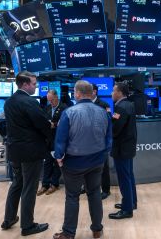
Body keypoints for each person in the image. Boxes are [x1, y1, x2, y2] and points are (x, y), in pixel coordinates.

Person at [53, 80, 111, 239]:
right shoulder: (103, 112)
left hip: (73, 163)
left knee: (72, 196)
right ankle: (97, 229)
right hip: (97, 161)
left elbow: (60, 140)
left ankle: (68, 233)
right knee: (94, 194)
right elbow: (108, 138)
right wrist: (103, 154)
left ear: (77, 93)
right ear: (91, 92)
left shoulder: (69, 112)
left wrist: (59, 157)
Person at [1, 71, 52, 236]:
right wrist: (50, 131)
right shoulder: (29, 102)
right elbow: (42, 123)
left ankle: (8, 219)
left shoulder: (9, 102)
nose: (35, 87)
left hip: (14, 151)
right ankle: (28, 226)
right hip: (30, 152)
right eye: (33, 84)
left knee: (17, 184)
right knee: (29, 187)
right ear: (24, 84)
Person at [108, 82, 137, 220]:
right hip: (128, 147)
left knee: (124, 179)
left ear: (120, 92)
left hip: (122, 149)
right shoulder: (129, 104)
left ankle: (127, 210)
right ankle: (131, 203)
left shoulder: (120, 108)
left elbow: (115, 129)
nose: (112, 93)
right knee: (129, 176)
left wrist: (108, 120)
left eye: (113, 90)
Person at [37, 90, 67, 196]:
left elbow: (64, 123)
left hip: (58, 139)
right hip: (48, 139)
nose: (51, 102)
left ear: (56, 97)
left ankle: (54, 184)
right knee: (47, 162)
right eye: (49, 100)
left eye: (52, 100)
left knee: (57, 162)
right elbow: (44, 120)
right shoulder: (47, 108)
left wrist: (54, 124)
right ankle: (45, 184)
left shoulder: (64, 108)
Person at [92, 83, 111, 200]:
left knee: (104, 166)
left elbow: (108, 122)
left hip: (101, 140)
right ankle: (88, 186)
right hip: (88, 140)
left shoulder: (104, 104)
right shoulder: (85, 103)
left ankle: (105, 190)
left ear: (95, 91)